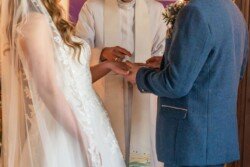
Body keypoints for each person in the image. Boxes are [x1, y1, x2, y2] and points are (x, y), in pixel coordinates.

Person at [0, 0, 130, 166]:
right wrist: (85, 140)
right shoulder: (34, 24)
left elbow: (74, 80)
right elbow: (47, 89)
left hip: (91, 119)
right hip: (67, 126)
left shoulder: (46, 20)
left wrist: (107, 65)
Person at [125, 0, 249, 167]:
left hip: (190, 139)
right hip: (217, 138)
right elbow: (232, 69)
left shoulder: (195, 11)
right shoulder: (234, 11)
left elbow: (174, 85)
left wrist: (140, 76)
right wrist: (170, 62)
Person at [75, 0, 165, 166]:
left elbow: (162, 51)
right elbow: (77, 51)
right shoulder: (93, 7)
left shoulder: (156, 10)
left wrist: (151, 66)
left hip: (145, 99)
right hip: (105, 97)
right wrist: (102, 53)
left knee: (145, 150)